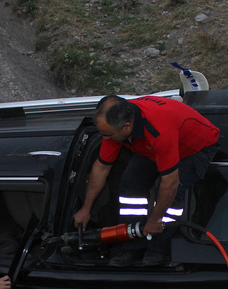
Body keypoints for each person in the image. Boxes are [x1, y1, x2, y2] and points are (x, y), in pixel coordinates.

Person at [72, 95, 219, 267]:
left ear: (127, 127)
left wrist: (154, 220)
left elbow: (170, 183)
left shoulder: (158, 129)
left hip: (191, 147)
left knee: (170, 196)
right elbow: (101, 167)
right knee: (130, 184)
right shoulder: (118, 122)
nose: (106, 139)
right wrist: (86, 209)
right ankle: (133, 246)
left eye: (108, 135)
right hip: (152, 147)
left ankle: (159, 249)